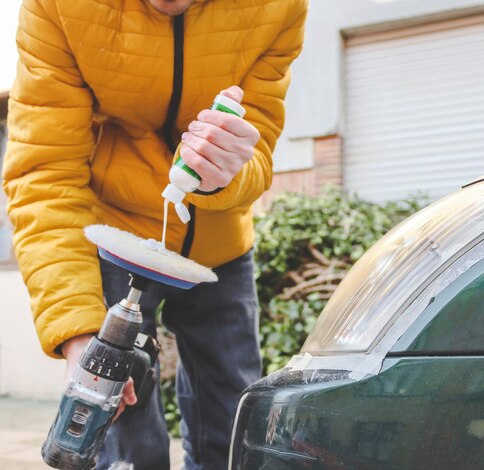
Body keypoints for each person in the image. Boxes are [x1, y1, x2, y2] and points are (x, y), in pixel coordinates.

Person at [2, 0, 307, 468]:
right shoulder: (57, 7)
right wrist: (79, 330)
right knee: (124, 441)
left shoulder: (279, 6)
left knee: (232, 430)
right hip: (115, 240)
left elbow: (258, 146)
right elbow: (45, 173)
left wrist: (227, 172)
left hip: (219, 248)